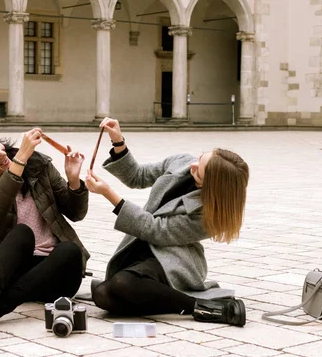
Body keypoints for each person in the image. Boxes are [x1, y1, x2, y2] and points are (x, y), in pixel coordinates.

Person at [85, 118, 249, 326]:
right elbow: (137, 175)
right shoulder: (181, 162)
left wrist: (109, 194)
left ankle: (199, 306)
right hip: (141, 245)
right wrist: (118, 141)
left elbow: (157, 230)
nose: (193, 164)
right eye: (200, 157)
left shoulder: (209, 215)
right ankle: (160, 298)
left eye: (199, 169)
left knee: (121, 284)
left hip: (174, 258)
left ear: (212, 186)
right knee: (103, 295)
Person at [0, 128, 90, 333]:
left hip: (57, 274)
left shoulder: (38, 164)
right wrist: (20, 160)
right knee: (23, 233)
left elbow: (76, 213)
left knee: (70, 250)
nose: (2, 154)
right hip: (13, 271)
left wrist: (74, 180)